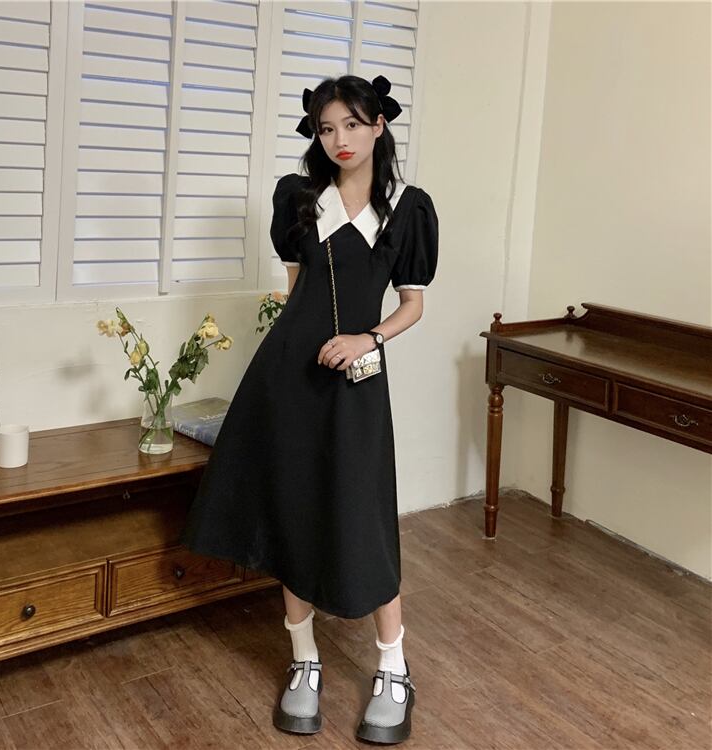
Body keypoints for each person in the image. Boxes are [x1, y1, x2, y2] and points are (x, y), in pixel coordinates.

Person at [180, 73, 439, 745]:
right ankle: (304, 659)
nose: (340, 139)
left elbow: (413, 304)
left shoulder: (407, 208)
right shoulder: (297, 199)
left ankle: (393, 667)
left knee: (363, 515)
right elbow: (295, 296)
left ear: (379, 125)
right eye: (326, 128)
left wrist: (366, 338)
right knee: (292, 510)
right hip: (287, 379)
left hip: (356, 380)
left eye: (352, 124)